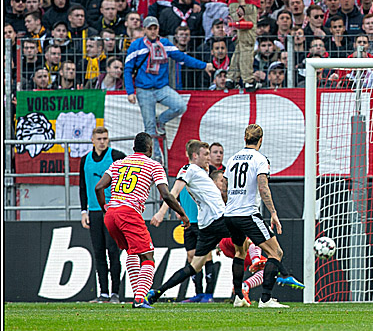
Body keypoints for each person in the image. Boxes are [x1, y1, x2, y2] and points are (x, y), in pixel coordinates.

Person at [94, 132, 191, 308]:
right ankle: (140, 299)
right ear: (150, 148)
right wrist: (183, 214)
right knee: (148, 256)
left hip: (111, 214)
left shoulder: (118, 164)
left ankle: (137, 294)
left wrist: (105, 208)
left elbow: (99, 186)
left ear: (133, 148)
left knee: (132, 252)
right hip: (129, 213)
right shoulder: (154, 165)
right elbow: (167, 196)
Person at [146, 140, 237, 304]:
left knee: (195, 265)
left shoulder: (203, 172)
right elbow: (173, 193)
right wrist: (161, 212)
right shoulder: (189, 170)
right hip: (215, 222)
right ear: (195, 155)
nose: (209, 158)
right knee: (254, 235)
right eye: (206, 154)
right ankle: (245, 291)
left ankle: (157, 292)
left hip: (206, 223)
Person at [124, 16, 212, 162]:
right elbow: (128, 69)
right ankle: (156, 157)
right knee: (149, 126)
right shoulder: (136, 46)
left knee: (180, 106)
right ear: (144, 29)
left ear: (158, 29)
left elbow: (183, 57)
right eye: (150, 28)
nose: (153, 31)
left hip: (161, 87)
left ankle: (162, 121)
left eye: (155, 28)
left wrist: (204, 65)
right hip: (143, 89)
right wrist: (130, 91)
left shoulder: (165, 44)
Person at [222, 124, 289, 307]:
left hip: (230, 214)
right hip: (248, 214)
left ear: (245, 139)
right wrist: (273, 213)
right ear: (260, 140)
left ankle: (238, 298)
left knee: (240, 252)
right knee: (276, 252)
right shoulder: (260, 159)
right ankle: (266, 299)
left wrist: (231, 205)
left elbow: (224, 187)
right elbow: (262, 186)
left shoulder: (232, 159)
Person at [78, 127, 126, 303]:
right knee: (98, 252)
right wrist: (84, 211)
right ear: (92, 140)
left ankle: (115, 293)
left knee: (113, 251)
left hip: (111, 211)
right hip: (94, 212)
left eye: (105, 138)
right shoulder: (85, 160)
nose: (102, 141)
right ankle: (103, 293)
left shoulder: (117, 156)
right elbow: (82, 187)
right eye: (99, 138)